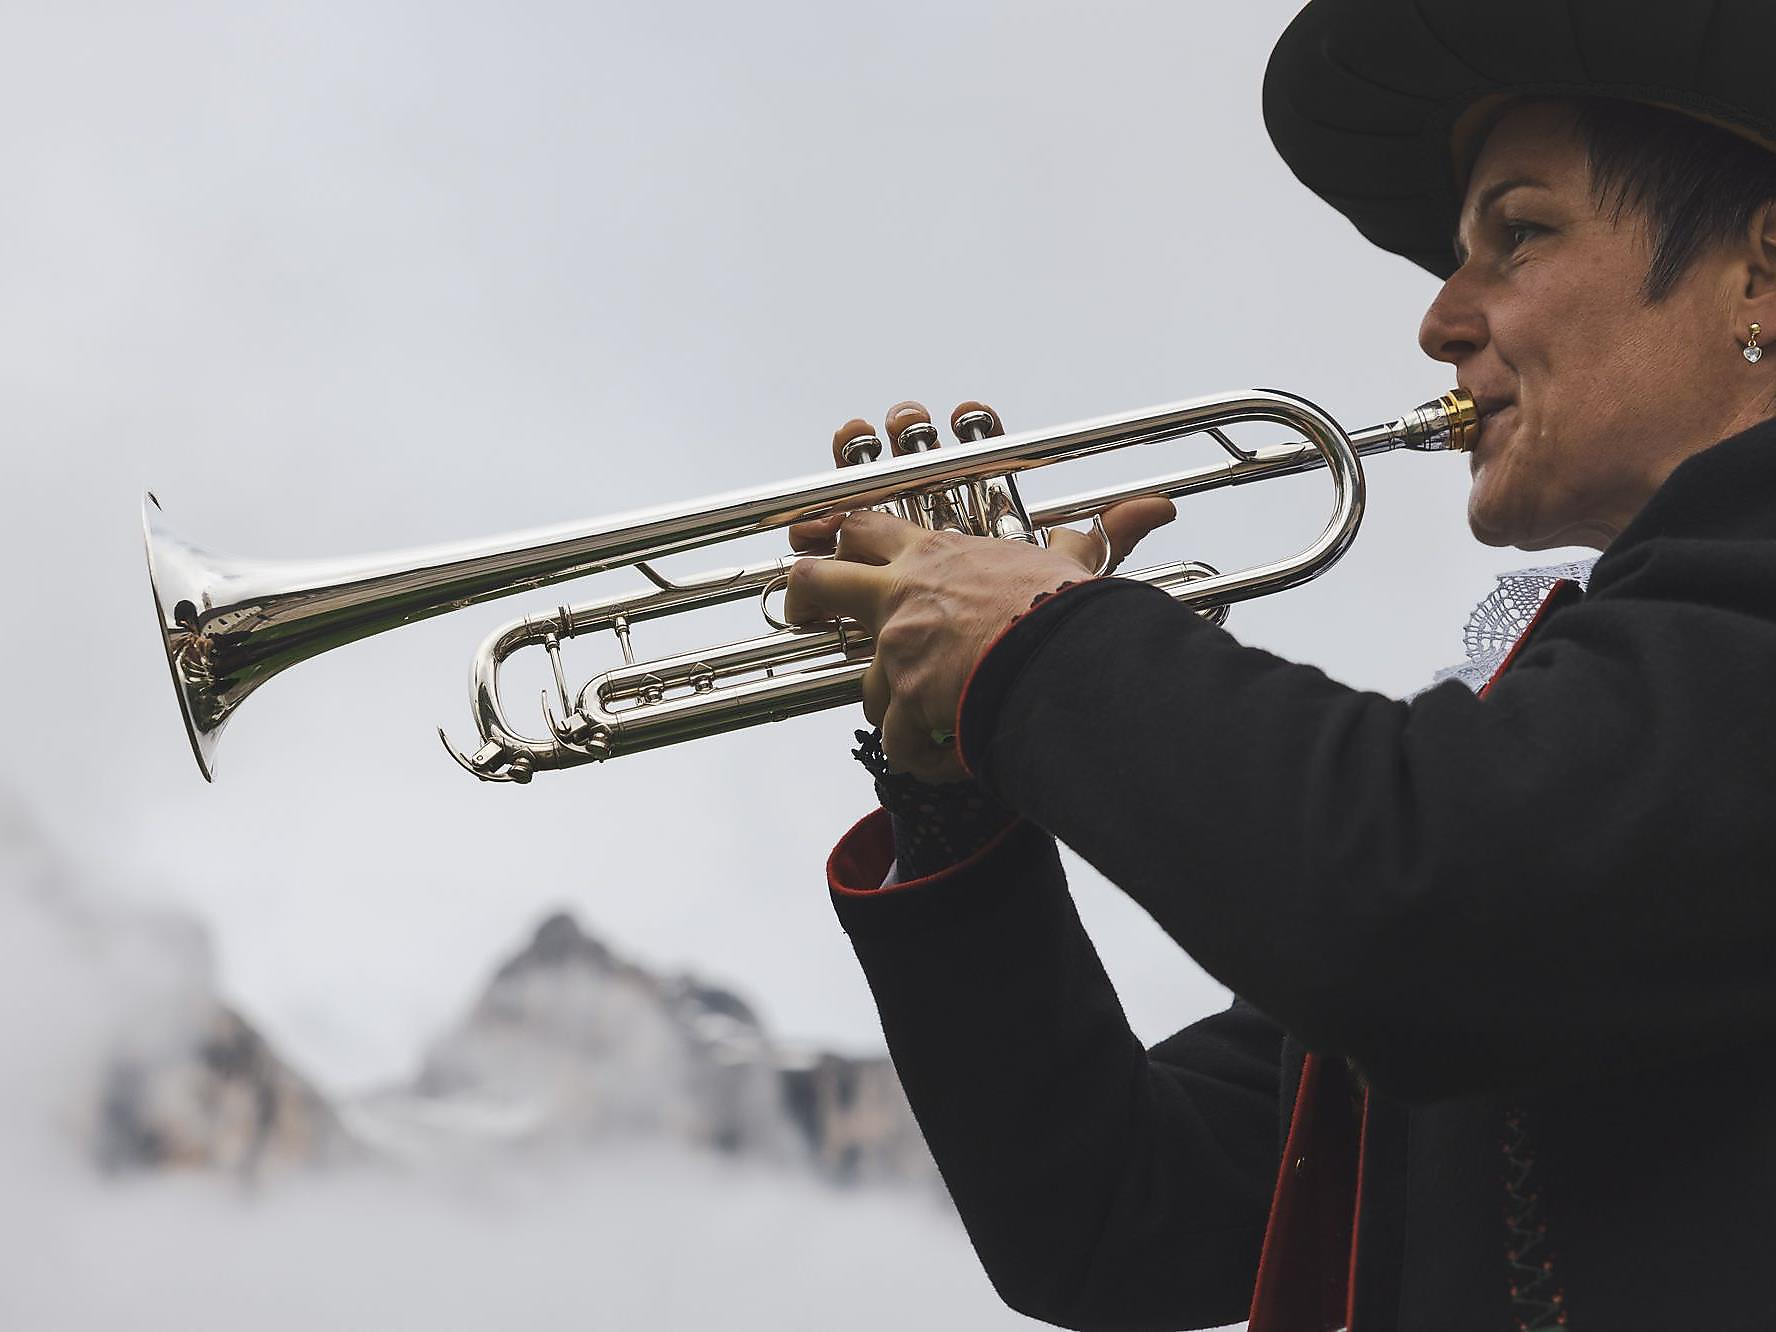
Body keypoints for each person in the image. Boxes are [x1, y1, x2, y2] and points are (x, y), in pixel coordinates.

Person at [783, 1, 1776, 1329]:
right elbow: (1114, 1220)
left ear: (1762, 274)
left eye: (1519, 233)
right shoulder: (1602, 738)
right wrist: (959, 784)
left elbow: (1415, 891)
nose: (1439, 320)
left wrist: (1039, 643)